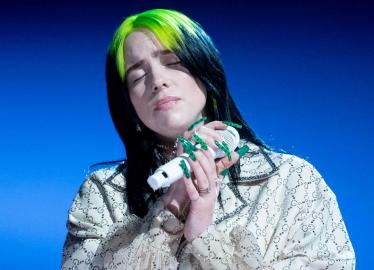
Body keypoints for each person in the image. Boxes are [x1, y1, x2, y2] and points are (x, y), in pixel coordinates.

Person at [61, 8, 355, 269]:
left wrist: (203, 235)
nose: (157, 81)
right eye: (138, 77)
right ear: (128, 103)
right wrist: (170, 207)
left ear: (206, 70)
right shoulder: (103, 194)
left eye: (174, 62)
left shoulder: (291, 180)